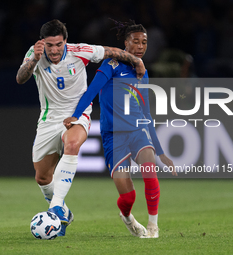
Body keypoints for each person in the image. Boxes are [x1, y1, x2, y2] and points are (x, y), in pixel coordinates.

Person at [16, 19, 146, 237]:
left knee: (73, 143)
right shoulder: (34, 53)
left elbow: (111, 51)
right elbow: (21, 78)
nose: (54, 50)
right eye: (50, 45)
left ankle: (55, 207)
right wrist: (34, 60)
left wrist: (136, 61)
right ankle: (64, 210)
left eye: (59, 45)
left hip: (78, 113)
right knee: (42, 178)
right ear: (42, 43)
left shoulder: (80, 51)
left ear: (65, 41)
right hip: (48, 118)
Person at [64, 19, 177, 238]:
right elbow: (91, 91)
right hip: (113, 137)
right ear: (125, 43)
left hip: (137, 132)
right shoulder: (111, 66)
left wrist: (161, 152)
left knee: (149, 173)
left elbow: (146, 113)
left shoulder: (142, 73)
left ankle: (153, 226)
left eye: (144, 42)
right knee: (128, 198)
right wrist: (75, 116)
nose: (141, 46)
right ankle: (126, 216)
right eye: (135, 42)